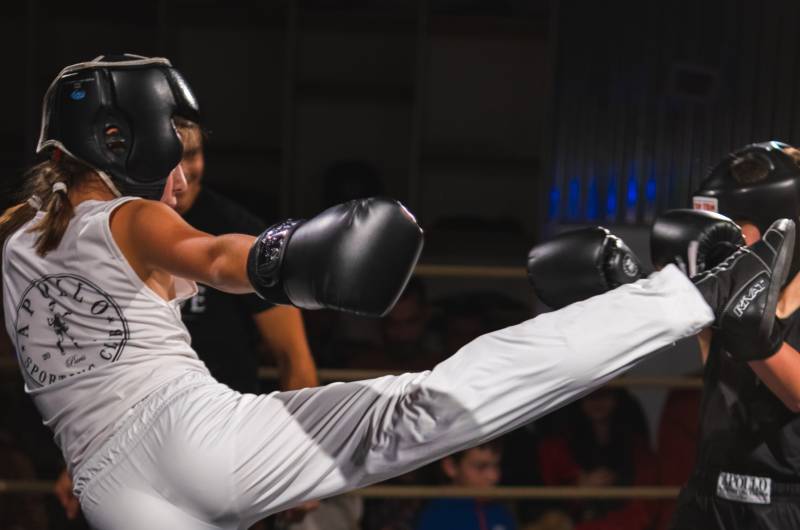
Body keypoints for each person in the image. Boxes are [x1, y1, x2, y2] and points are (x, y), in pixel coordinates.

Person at [0, 55, 791, 530]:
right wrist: (286, 256)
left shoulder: (12, 231)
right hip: (189, 434)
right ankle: (700, 293)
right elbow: (215, 255)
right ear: (120, 135)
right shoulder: (129, 216)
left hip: (106, 487)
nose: (179, 167)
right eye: (170, 138)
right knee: (421, 405)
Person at [655, 141, 800, 529]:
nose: (721, 239)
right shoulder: (731, 275)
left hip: (786, 505)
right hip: (709, 494)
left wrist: (750, 333)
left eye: (733, 228)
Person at [535, 388, 659, 530]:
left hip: (624, 520)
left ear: (616, 397)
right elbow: (547, 502)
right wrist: (578, 490)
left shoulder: (636, 445)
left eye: (604, 393)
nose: (597, 401)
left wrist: (618, 483)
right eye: (590, 394)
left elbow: (645, 503)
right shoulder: (557, 447)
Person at [415, 441, 516, 530]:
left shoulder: (500, 512)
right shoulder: (437, 517)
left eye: (496, 465)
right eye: (480, 467)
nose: (493, 476)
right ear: (450, 466)